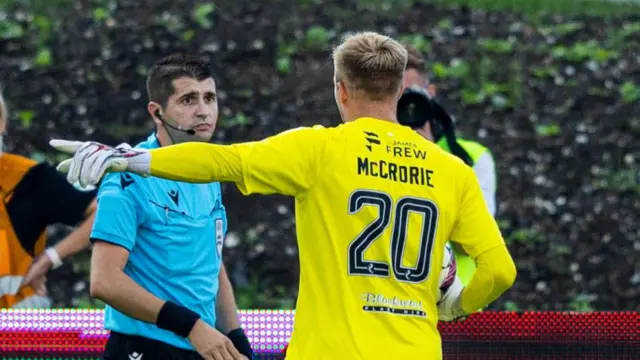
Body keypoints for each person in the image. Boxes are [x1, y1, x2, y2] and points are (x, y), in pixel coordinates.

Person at [51, 32, 517, 360]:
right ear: (399, 90)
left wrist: (128, 159)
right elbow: (500, 270)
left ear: (340, 90)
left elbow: (223, 161)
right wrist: (455, 305)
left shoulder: (319, 150)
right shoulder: (452, 169)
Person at [56, 55, 251, 360]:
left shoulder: (208, 170)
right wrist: (191, 326)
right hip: (144, 349)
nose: (203, 111)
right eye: (188, 99)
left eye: (209, 98)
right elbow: (104, 281)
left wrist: (236, 337)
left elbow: (211, 262)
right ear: (157, 113)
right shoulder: (126, 175)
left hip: (200, 344)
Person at [399, 44, 498, 287]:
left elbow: (471, 244)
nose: (405, 106)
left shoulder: (472, 158)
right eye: (396, 96)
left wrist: (429, 159)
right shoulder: (364, 155)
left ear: (430, 94)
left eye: (412, 94)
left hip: (454, 306)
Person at [0, 87, 97, 308]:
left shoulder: (28, 178)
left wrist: (50, 258)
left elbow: (103, 210)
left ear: (2, 122)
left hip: (20, 325)